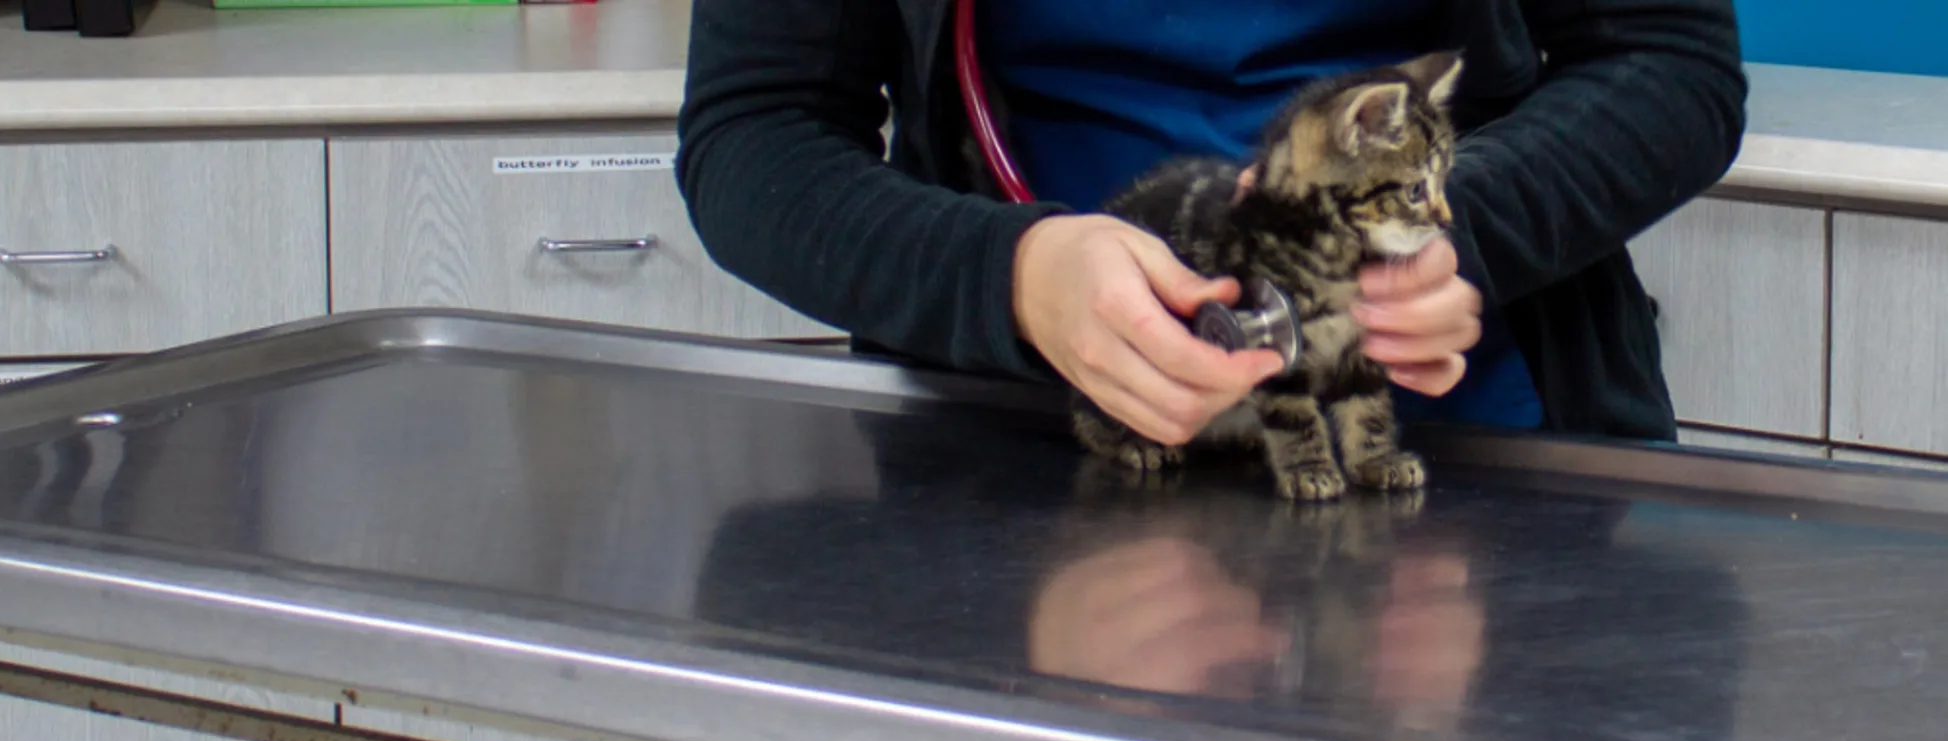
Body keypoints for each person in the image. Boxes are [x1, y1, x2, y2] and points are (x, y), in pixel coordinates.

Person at [674, 0, 1746, 443]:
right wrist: (1009, 276)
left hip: (1478, 458)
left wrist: (1457, 220)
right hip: (1022, 467)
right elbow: (754, 136)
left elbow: (1666, 69)